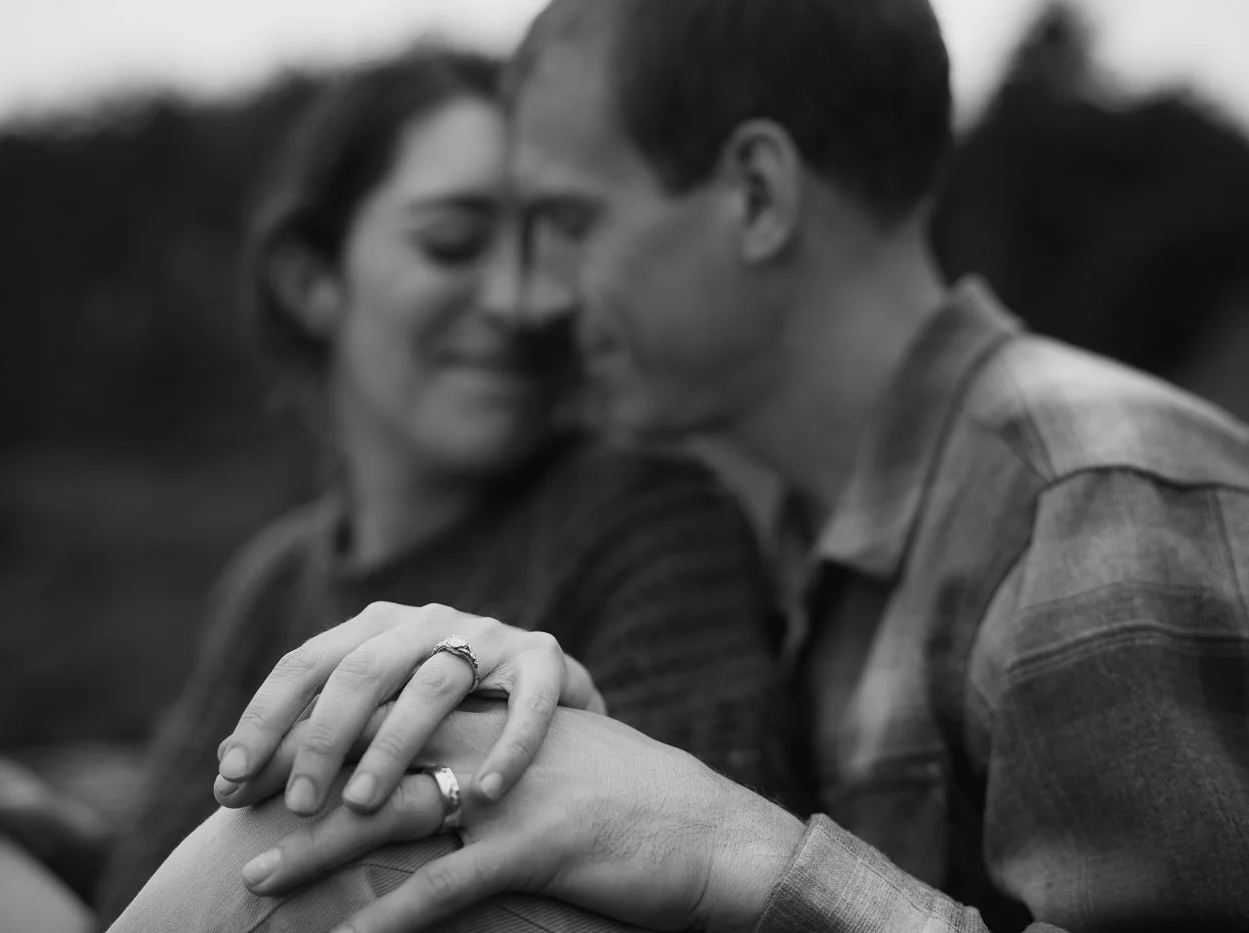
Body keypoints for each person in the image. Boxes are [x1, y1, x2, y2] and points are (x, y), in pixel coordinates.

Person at [109, 1, 1249, 932]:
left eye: (566, 222)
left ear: (754, 196)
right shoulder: (822, 525)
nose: (537, 298)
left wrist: (732, 845)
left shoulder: (1088, 502)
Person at [0, 46, 793, 933]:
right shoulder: (278, 575)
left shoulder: (650, 520)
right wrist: (88, 840)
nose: (522, 300)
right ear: (312, 281)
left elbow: (671, 858)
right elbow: (197, 867)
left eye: (551, 243)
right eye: (454, 243)